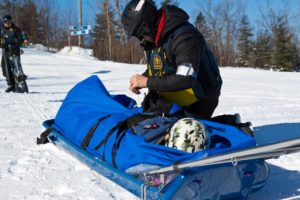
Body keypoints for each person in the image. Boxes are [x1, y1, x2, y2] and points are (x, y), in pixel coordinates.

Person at [122, 0, 222, 119]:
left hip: (200, 99)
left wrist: (146, 82)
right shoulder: (154, 40)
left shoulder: (184, 38)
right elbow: (160, 68)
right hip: (177, 95)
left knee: (183, 134)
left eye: (139, 34)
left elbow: (186, 78)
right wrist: (142, 78)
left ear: (146, 26)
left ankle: (231, 126)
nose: (140, 39)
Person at [0, 15, 27, 93]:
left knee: (15, 67)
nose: (7, 23)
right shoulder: (1, 30)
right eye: (6, 22)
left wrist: (14, 46)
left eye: (9, 22)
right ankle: (11, 83)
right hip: (6, 50)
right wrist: (2, 45)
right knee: (5, 69)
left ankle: (19, 82)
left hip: (14, 50)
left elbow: (21, 39)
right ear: (3, 22)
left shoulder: (16, 29)